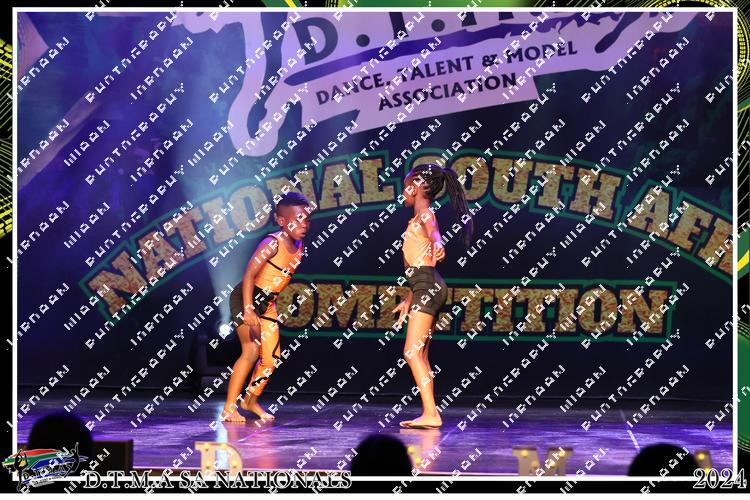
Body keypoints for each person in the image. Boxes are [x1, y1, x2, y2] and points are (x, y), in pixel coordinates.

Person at [393, 163, 474, 429]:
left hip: (428, 286)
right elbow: (420, 264)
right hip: (426, 285)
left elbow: (434, 232)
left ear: (416, 185)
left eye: (406, 186)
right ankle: (430, 412)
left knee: (411, 352)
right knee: (421, 354)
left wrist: (438, 242)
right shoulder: (416, 218)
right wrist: (409, 297)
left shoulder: (425, 215)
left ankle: (431, 413)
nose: (402, 192)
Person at [221, 191, 312, 423]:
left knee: (271, 359)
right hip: (246, 298)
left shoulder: (299, 245)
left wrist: (265, 306)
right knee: (251, 350)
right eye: (298, 219)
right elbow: (249, 275)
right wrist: (249, 308)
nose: (304, 224)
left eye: (306, 219)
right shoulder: (272, 243)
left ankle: (250, 400)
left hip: (267, 303)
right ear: (281, 221)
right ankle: (229, 408)